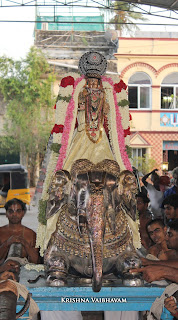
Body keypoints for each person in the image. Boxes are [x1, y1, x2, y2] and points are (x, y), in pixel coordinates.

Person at [0, 198, 40, 264]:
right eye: (11, 211)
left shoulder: (31, 234)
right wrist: (7, 243)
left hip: (24, 272)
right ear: (6, 214)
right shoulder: (1, 232)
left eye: (18, 211)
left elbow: (35, 261)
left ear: (23, 213)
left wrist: (25, 243)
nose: (14, 214)